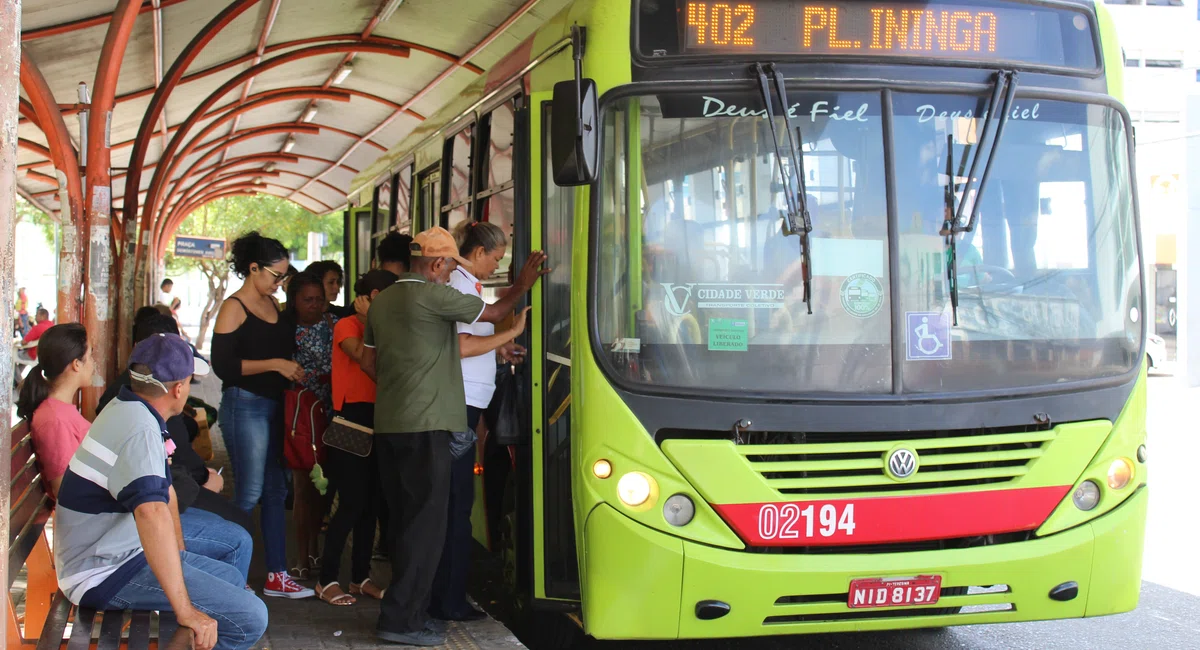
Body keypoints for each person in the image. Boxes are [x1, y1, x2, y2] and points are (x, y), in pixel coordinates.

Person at [361, 226, 547, 646]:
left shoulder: (384, 300)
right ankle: (402, 623)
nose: (450, 275)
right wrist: (521, 296)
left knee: (406, 524)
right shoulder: (432, 294)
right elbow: (495, 314)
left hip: (390, 424)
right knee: (427, 528)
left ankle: (404, 614)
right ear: (438, 263)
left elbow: (369, 362)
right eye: (449, 268)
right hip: (427, 426)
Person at [54, 334, 268, 650]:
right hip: (100, 571)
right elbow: (150, 512)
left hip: (115, 547)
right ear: (178, 390)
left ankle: (189, 633)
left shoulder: (130, 406)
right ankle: (188, 629)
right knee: (251, 616)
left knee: (232, 578)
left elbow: (164, 492)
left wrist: (178, 555)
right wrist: (187, 611)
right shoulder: (139, 428)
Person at [429, 222, 529, 622]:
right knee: (454, 505)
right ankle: (447, 600)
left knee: (456, 502)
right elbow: (459, 345)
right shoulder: (457, 284)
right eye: (496, 258)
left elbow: (472, 339)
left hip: (467, 402)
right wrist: (516, 317)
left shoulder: (467, 284)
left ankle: (448, 595)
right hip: (459, 405)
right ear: (478, 251)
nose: (496, 267)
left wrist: (499, 350)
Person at [212, 232, 314, 599]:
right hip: (245, 404)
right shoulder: (233, 308)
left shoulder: (276, 305)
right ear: (252, 269)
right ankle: (225, 574)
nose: (279, 283)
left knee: (276, 490)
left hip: (277, 407)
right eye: (275, 275)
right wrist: (276, 364)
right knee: (250, 490)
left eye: (284, 276)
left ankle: (277, 576)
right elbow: (224, 366)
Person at [99, 313, 254, 538]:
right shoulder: (145, 419)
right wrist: (200, 481)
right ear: (177, 389)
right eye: (189, 381)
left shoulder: (126, 401)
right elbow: (155, 500)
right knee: (240, 533)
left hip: (136, 505)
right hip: (128, 518)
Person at [316, 269, 396, 607]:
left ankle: (359, 576)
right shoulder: (347, 324)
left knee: (372, 504)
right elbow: (367, 361)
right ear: (375, 296)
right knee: (350, 504)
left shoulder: (379, 324)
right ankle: (326, 579)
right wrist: (372, 321)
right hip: (352, 420)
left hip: (380, 418)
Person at [285, 271, 337, 580]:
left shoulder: (333, 324)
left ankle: (316, 547)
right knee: (303, 488)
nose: (315, 305)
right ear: (294, 301)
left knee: (323, 488)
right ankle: (302, 555)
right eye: (308, 300)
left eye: (319, 299)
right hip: (302, 416)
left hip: (330, 413)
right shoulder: (284, 330)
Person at [370, 231, 412, 556]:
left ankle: (388, 543)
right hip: (398, 407)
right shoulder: (407, 295)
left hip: (381, 406)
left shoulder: (378, 303)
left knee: (385, 485)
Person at [15, 323, 93, 498]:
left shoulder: (58, 411)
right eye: (90, 355)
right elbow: (67, 493)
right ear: (76, 364)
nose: (93, 363)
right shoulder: (54, 420)